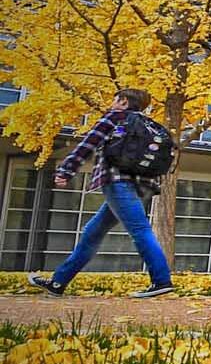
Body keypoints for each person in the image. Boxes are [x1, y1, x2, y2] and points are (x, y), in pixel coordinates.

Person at [26, 87, 176, 299]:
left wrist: (66, 170)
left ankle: (161, 280)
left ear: (124, 101)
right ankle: (58, 282)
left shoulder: (114, 119)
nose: (112, 103)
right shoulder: (150, 125)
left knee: (140, 229)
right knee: (92, 233)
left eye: (115, 99)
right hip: (143, 186)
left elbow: (87, 145)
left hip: (117, 182)